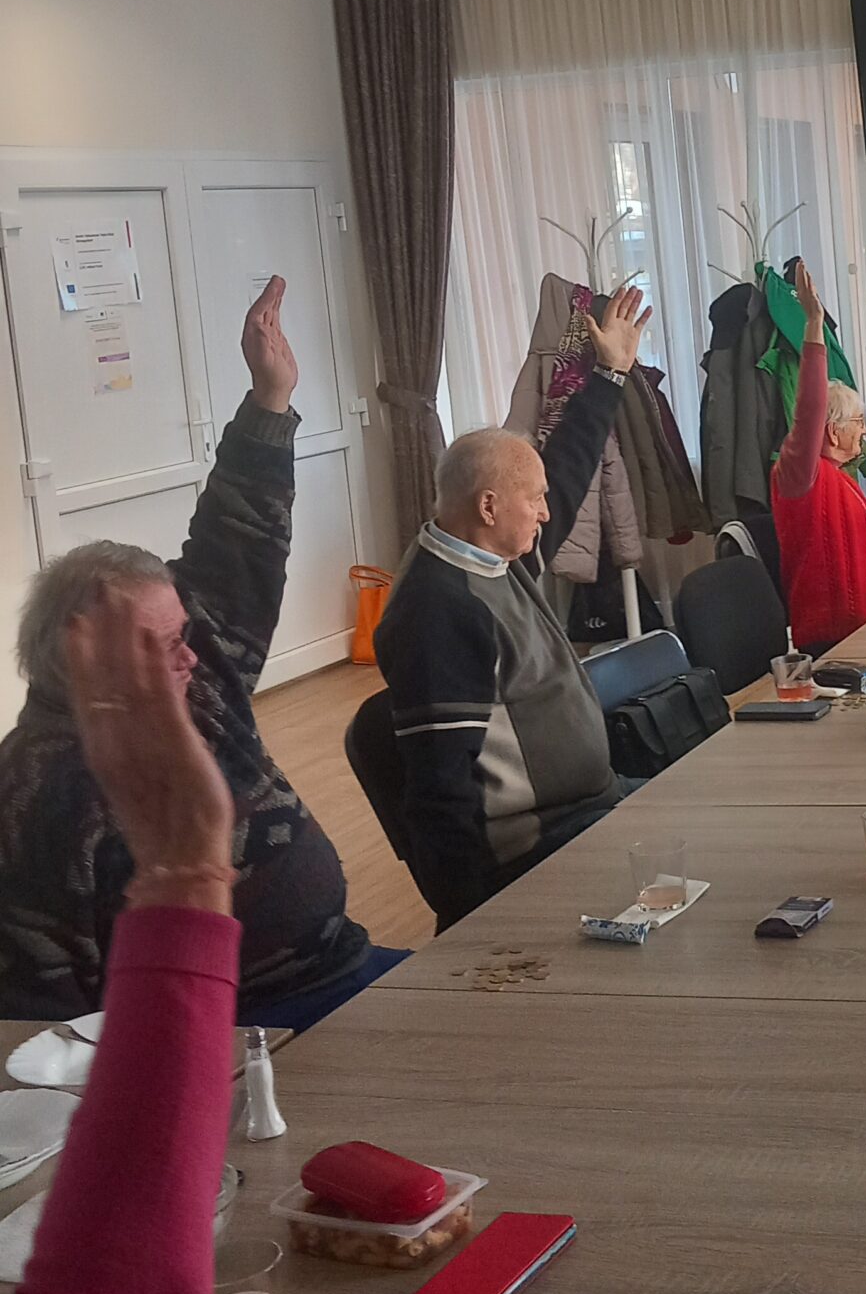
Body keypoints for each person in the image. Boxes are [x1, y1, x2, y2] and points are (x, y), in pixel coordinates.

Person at [0, 277, 388, 1032]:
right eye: (165, 644)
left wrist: (270, 399)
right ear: (82, 653)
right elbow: (41, 1021)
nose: (191, 657)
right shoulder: (38, 794)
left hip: (344, 964)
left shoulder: (183, 674)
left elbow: (235, 547)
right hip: (248, 1034)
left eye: (184, 634)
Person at [0, 586, 241, 1294]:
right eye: (159, 646)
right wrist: (187, 880)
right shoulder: (54, 789)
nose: (186, 661)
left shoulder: (198, 718)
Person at [375, 286, 649, 926]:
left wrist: (610, 374)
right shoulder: (437, 609)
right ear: (489, 506)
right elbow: (439, 789)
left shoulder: (492, 550)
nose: (548, 513)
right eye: (535, 501)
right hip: (541, 845)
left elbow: (567, 468)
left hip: (592, 804)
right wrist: (475, 926)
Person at [772, 260, 866, 652]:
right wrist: (813, 323)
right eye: (859, 422)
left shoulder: (843, 480)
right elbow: (809, 408)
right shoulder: (801, 475)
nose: (864, 431)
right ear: (830, 430)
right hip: (835, 641)